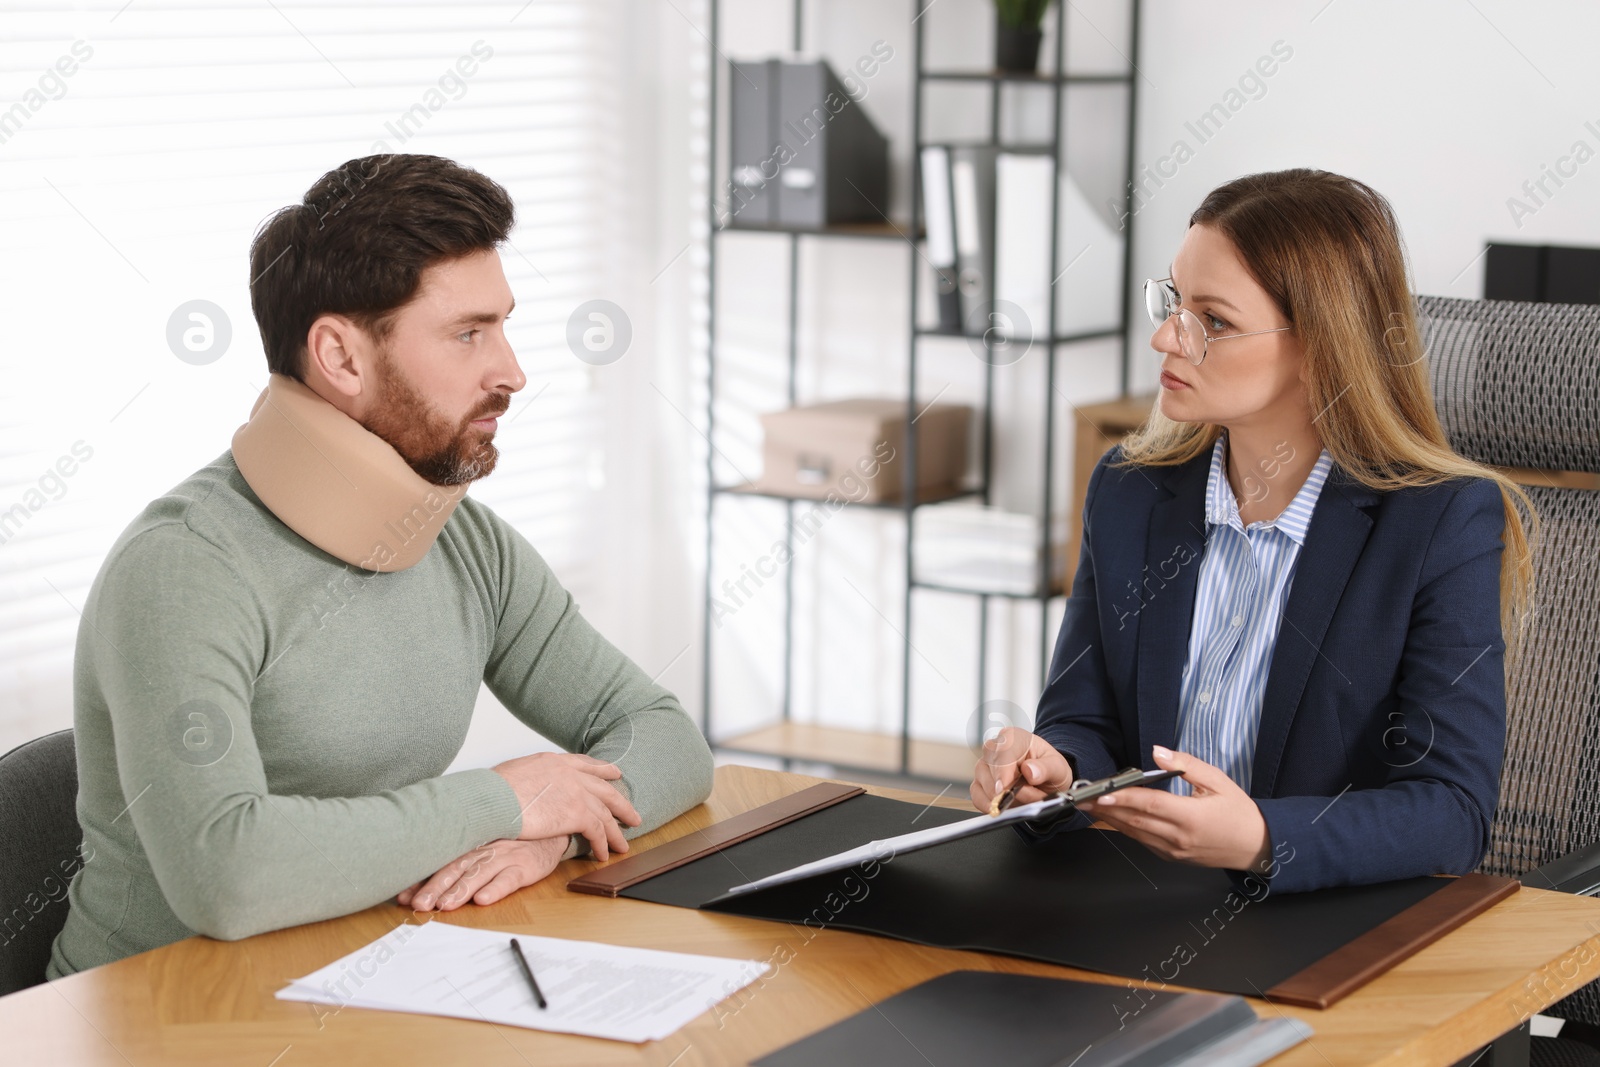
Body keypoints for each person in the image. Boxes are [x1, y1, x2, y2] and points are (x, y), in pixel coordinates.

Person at [47, 154, 714, 978]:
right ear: (342, 356)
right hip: (149, 1017)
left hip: (360, 978)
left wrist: (559, 831)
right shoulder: (182, 571)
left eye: (504, 325)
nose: (512, 371)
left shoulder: (468, 547)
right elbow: (228, 875)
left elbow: (666, 735)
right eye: (469, 333)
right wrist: (506, 798)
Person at [969, 168, 1535, 894]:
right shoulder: (1128, 489)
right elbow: (1086, 719)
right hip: (1133, 909)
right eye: (1175, 300)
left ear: (1321, 346)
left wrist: (1265, 838)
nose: (1165, 335)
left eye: (1215, 319)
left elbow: (1453, 810)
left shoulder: (1440, 520)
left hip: (1320, 928)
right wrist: (1054, 768)